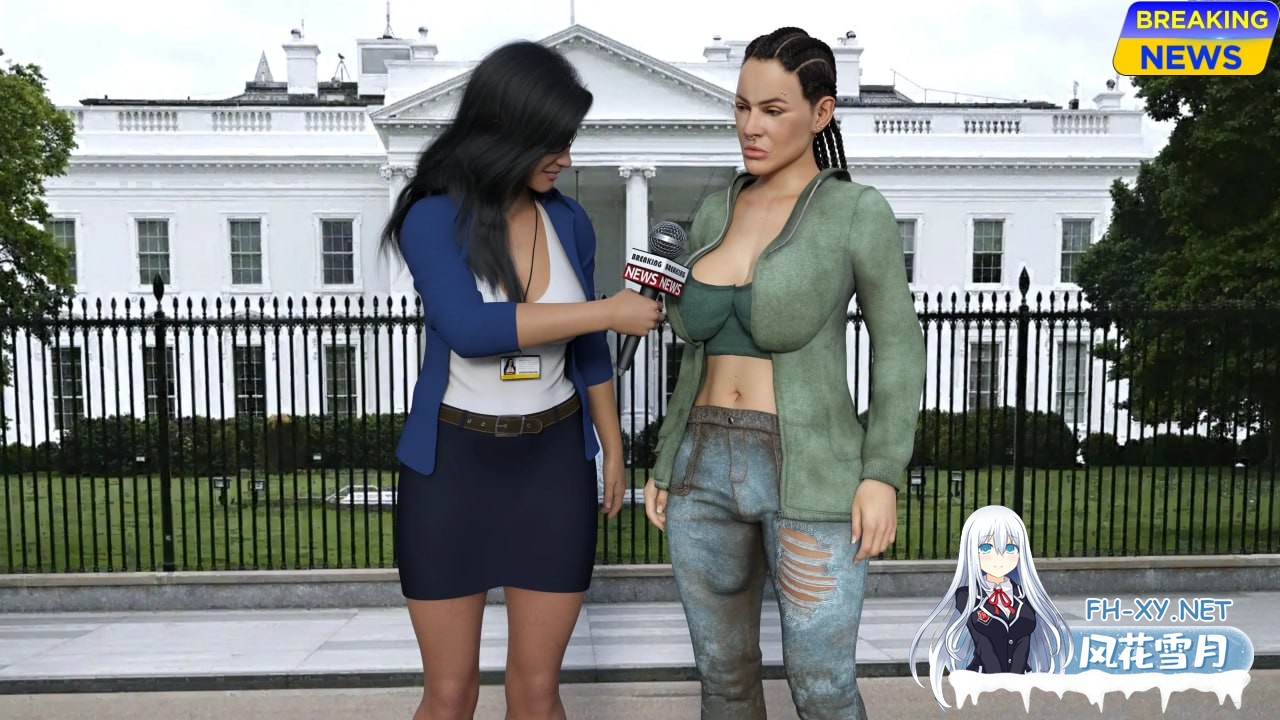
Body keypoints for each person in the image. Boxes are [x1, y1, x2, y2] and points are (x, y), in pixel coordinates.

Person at [644, 27, 927, 720]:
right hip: (700, 471)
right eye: (742, 107)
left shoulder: (856, 212)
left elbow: (899, 347)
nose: (751, 126)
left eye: (773, 110)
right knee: (723, 681)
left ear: (821, 113)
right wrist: (665, 460)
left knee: (822, 687)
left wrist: (882, 472)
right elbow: (693, 359)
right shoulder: (715, 211)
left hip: (812, 475)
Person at [382, 40, 663, 720]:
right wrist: (609, 309)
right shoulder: (430, 217)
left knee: (537, 693)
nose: (566, 156)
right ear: (505, 132)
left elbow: (587, 350)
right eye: (553, 141)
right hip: (451, 470)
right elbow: (468, 328)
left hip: (553, 466)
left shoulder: (569, 220)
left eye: (570, 140)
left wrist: (612, 445)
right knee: (449, 696)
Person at [908, 505, 1073, 709]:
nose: (999, 558)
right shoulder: (967, 596)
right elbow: (983, 644)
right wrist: (999, 685)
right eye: (986, 548)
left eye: (1010, 548)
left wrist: (1017, 682)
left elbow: (1024, 641)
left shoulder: (1026, 596)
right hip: (983, 681)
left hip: (1022, 681)